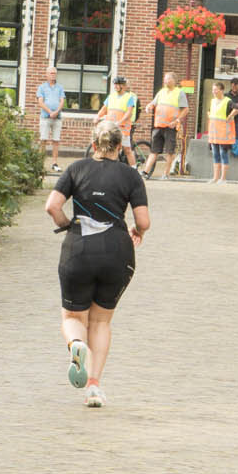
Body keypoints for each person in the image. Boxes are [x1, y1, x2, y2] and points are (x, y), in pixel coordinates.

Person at [44, 122, 149, 409]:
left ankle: (76, 345)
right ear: (119, 147)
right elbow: (143, 221)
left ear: (93, 144)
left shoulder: (76, 169)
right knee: (101, 321)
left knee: (73, 317)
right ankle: (93, 387)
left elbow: (52, 206)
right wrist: (138, 231)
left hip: (78, 250)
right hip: (117, 252)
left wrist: (67, 225)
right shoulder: (131, 175)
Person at [142, 70, 188, 179]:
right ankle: (145, 172)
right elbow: (153, 103)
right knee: (154, 151)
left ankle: (166, 174)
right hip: (158, 126)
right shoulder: (161, 92)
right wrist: (148, 107)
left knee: (169, 152)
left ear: (174, 80)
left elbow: (186, 109)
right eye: (165, 79)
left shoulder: (179, 93)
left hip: (170, 127)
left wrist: (177, 121)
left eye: (168, 79)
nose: (165, 81)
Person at [94, 73, 139, 166]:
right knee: (110, 147)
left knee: (127, 150)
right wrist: (97, 116)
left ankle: (134, 169)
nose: (116, 86)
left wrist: (120, 122)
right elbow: (104, 109)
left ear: (123, 86)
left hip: (123, 127)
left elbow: (129, 112)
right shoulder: (111, 96)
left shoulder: (129, 97)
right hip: (111, 127)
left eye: (118, 84)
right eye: (115, 85)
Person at [35, 65, 65, 174]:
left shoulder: (60, 87)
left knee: (56, 141)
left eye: (55, 73)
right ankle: (40, 164)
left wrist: (56, 112)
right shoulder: (42, 87)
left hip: (57, 118)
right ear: (46, 75)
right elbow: (40, 102)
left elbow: (62, 101)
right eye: (51, 73)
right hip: (45, 117)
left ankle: (54, 163)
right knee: (43, 140)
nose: (53, 75)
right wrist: (50, 112)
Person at [206, 81, 234, 184]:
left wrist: (230, 116)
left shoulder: (228, 101)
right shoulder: (213, 101)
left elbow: (237, 109)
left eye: (215, 89)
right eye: (213, 90)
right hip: (214, 133)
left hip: (223, 134)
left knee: (223, 154)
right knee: (215, 155)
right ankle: (215, 178)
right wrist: (209, 115)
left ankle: (223, 178)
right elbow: (209, 111)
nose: (213, 91)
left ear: (221, 90)